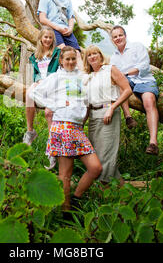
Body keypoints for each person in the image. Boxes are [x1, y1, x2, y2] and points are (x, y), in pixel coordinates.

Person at [30, 46, 102, 212]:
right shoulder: (56, 77)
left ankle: (76, 198)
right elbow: (35, 92)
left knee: (95, 168)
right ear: (61, 61)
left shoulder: (81, 77)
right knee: (65, 174)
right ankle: (66, 212)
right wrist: (53, 105)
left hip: (77, 128)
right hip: (62, 126)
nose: (70, 62)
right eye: (67, 59)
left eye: (73, 59)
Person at [83, 45, 132, 184]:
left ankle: (104, 192)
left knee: (106, 156)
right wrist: (82, 123)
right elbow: (87, 103)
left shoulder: (110, 69)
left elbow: (127, 90)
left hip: (108, 113)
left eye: (95, 54)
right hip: (93, 115)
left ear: (100, 55)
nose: (92, 57)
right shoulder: (88, 77)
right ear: (86, 59)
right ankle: (124, 193)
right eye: (89, 55)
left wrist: (112, 107)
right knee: (98, 156)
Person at [109, 25, 161, 156]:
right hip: (127, 81)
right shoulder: (113, 57)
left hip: (144, 78)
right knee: (120, 85)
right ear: (112, 40)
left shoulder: (137, 46)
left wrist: (125, 73)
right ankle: (128, 117)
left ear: (125, 36)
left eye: (120, 35)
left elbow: (144, 65)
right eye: (115, 37)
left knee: (149, 100)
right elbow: (115, 74)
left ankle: (153, 143)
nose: (118, 38)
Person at [37, 0, 83, 70]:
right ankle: (67, 75)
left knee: (77, 54)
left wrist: (70, 28)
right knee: (65, 51)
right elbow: (42, 18)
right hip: (53, 29)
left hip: (66, 29)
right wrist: (57, 27)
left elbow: (71, 17)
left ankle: (84, 77)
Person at [23, 27, 61, 146]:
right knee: (28, 93)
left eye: (50, 37)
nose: (48, 40)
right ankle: (30, 131)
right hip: (40, 83)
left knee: (48, 112)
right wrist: (38, 80)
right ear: (40, 38)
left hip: (53, 83)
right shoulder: (35, 56)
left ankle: (52, 145)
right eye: (45, 37)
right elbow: (36, 73)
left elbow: (59, 70)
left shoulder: (57, 53)